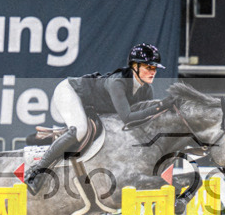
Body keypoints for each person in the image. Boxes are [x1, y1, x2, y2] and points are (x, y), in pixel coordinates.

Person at [23, 42, 166, 193]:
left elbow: (141, 124)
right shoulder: (118, 82)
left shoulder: (146, 90)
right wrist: (160, 106)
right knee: (80, 130)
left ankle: (50, 139)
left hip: (92, 105)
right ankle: (36, 172)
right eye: (149, 67)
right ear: (134, 66)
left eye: (155, 68)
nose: (153, 72)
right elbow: (128, 118)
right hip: (70, 91)